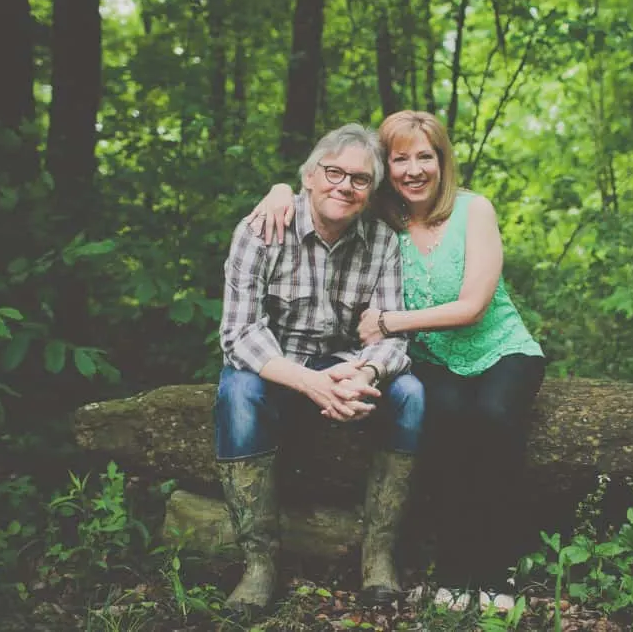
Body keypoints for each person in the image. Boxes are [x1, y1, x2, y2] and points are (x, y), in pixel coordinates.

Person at [251, 110, 545, 591]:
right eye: (400, 159)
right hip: (432, 359)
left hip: (500, 350)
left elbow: (472, 306)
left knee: (492, 420)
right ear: (387, 167)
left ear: (442, 161)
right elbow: (327, 188)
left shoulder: (475, 211)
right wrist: (280, 191)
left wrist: (389, 321)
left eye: (425, 157)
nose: (414, 170)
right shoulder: (379, 222)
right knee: (444, 423)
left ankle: (496, 573)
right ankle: (452, 571)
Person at [216, 123, 425, 610]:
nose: (344, 186)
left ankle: (378, 556)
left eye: (358, 179)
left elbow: (392, 336)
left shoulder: (382, 243)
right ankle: (259, 564)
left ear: (370, 192)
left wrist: (365, 374)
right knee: (237, 394)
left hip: (346, 365)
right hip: (275, 363)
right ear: (308, 177)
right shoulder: (261, 230)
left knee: (411, 394)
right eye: (334, 172)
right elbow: (238, 334)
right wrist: (311, 383)